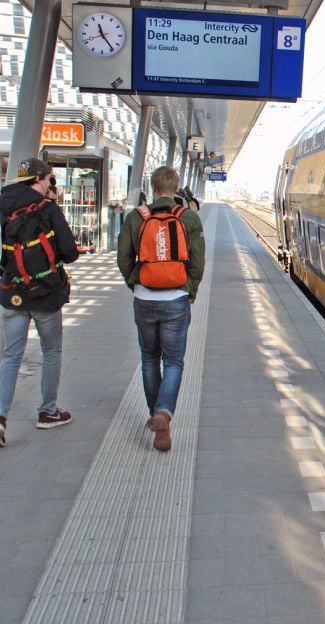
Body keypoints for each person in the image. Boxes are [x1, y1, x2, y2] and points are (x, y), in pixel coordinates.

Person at [0, 158, 79, 448]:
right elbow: (69, 251)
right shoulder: (48, 209)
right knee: (51, 352)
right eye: (50, 178)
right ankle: (47, 412)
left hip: (13, 291)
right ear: (40, 178)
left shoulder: (6, 205)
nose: (52, 183)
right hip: (46, 295)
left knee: (12, 356)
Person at [117, 165, 205, 451]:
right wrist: (188, 290)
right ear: (176, 187)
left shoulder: (136, 218)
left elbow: (123, 258)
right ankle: (164, 412)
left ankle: (156, 412)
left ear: (153, 188)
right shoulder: (188, 217)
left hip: (144, 299)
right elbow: (197, 262)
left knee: (149, 358)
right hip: (175, 299)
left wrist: (136, 284)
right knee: (174, 361)